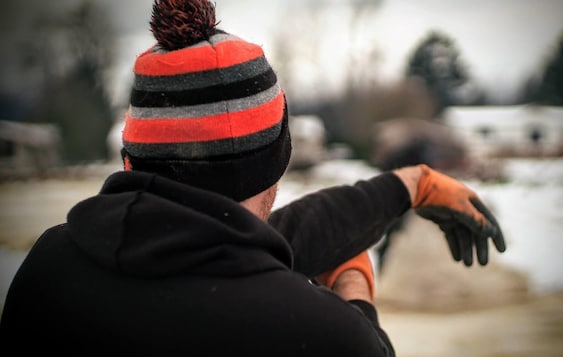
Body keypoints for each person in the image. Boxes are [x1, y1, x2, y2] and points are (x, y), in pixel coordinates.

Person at [0, 1, 505, 355]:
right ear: (275, 165)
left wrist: (407, 185)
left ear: (132, 159)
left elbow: (225, 246)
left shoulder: (49, 268)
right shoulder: (316, 333)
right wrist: (353, 284)